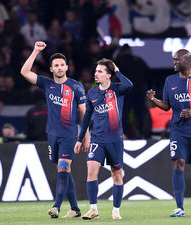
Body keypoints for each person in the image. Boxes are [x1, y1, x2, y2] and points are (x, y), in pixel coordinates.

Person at [20, 41, 89, 219]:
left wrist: (85, 136)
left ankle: (56, 207)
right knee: (64, 171)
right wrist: (35, 51)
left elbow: (84, 113)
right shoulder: (47, 84)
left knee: (64, 168)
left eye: (62, 65)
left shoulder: (76, 87)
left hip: (69, 136)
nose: (59, 68)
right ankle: (75, 209)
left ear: (67, 67)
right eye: (56, 65)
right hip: (52, 135)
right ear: (51, 69)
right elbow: (24, 72)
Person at [147, 49, 191, 217]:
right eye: (173, 60)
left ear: (187, 61)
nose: (174, 63)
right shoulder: (170, 80)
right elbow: (167, 106)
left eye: (177, 60)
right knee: (178, 163)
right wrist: (154, 100)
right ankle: (179, 208)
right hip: (178, 131)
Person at [74, 58, 133, 220]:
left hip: (115, 140)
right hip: (97, 139)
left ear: (109, 75)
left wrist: (118, 70)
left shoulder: (117, 89)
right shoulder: (92, 93)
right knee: (91, 171)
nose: (96, 74)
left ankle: (116, 210)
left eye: (100, 71)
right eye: (96, 71)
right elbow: (86, 117)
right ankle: (93, 209)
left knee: (117, 175)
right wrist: (80, 139)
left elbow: (130, 85)